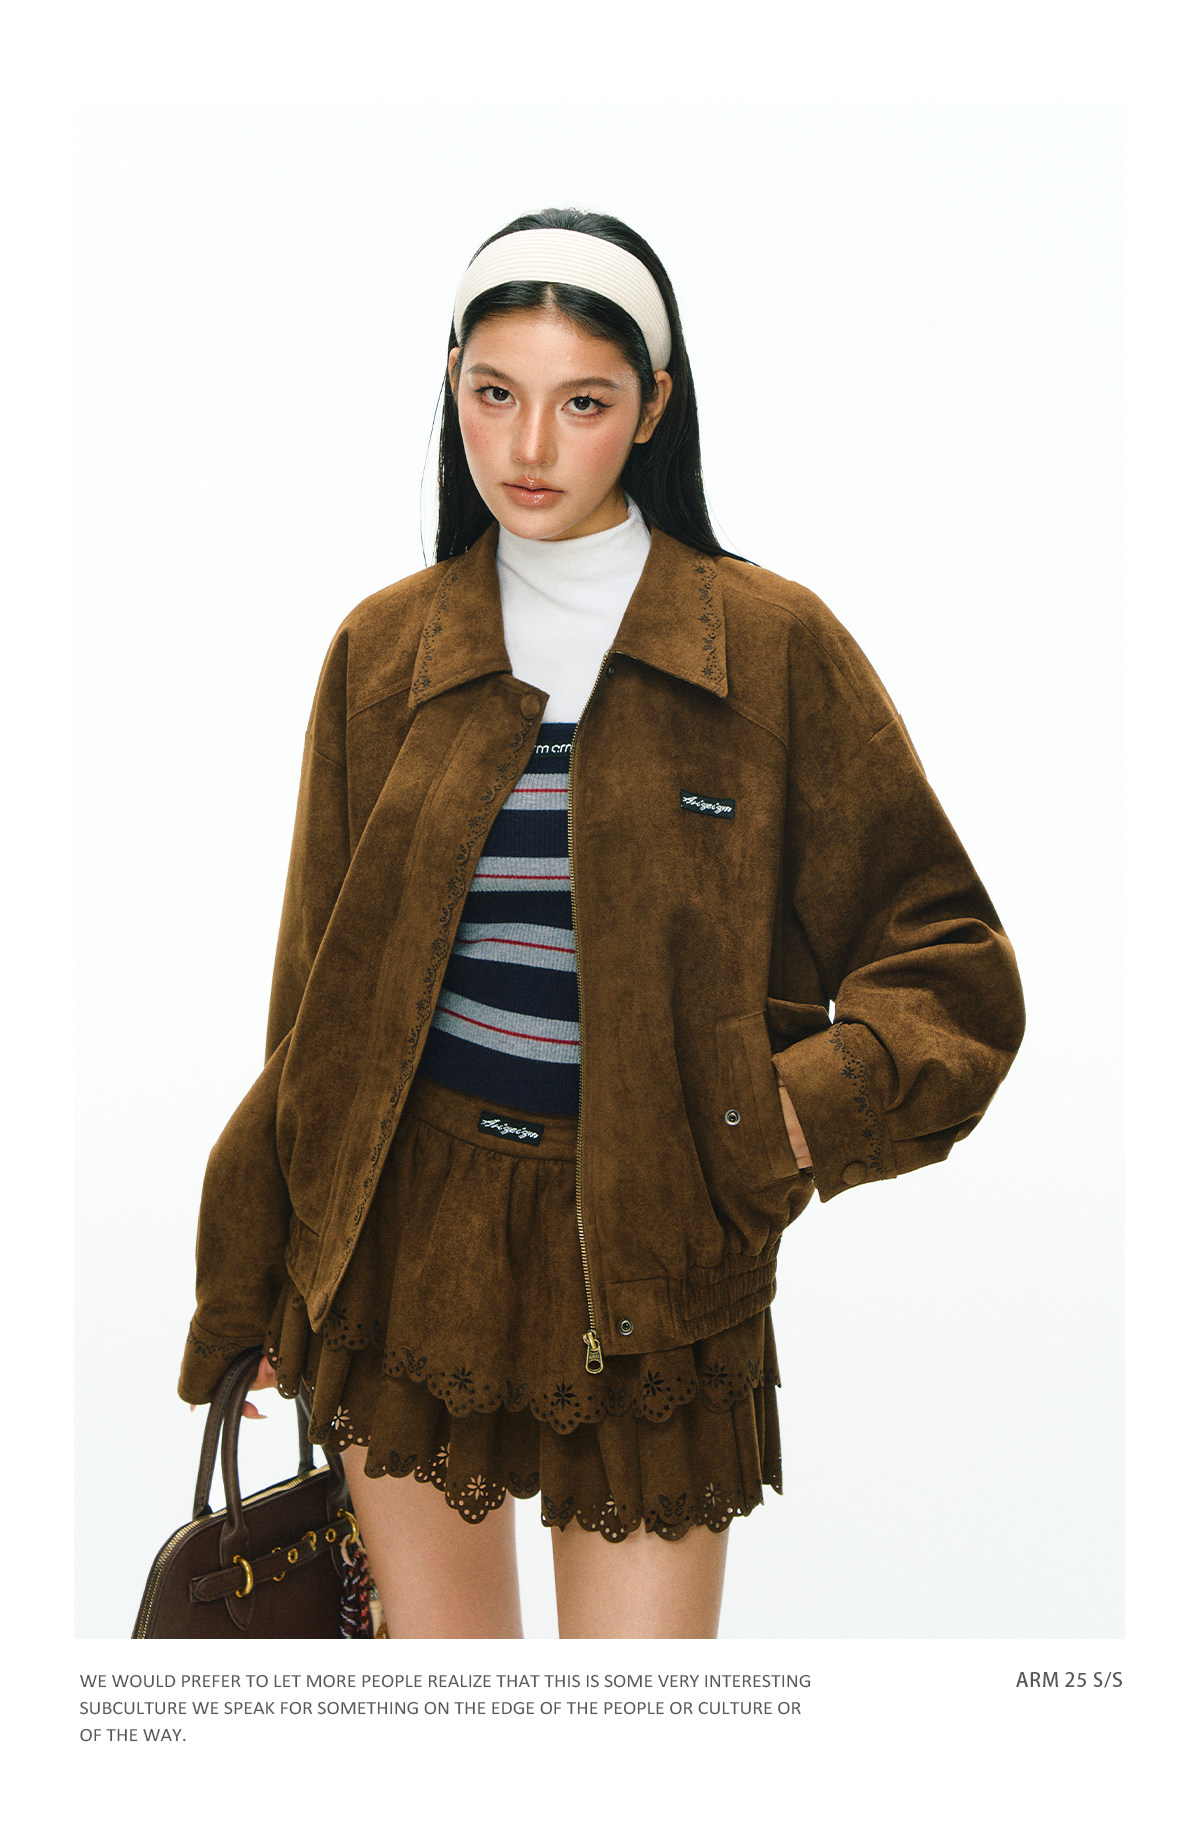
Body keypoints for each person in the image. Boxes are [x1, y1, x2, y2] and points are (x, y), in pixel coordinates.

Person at [177, 206, 1026, 1640]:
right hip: (402, 1242)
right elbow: (314, 1002)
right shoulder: (384, 649)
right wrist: (251, 1270)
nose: (528, 446)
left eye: (583, 403)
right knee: (452, 1716)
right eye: (492, 393)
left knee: (636, 1730)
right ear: (451, 387)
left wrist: (777, 1122)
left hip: (655, 1261)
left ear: (654, 408)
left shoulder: (768, 645)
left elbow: (951, 964)